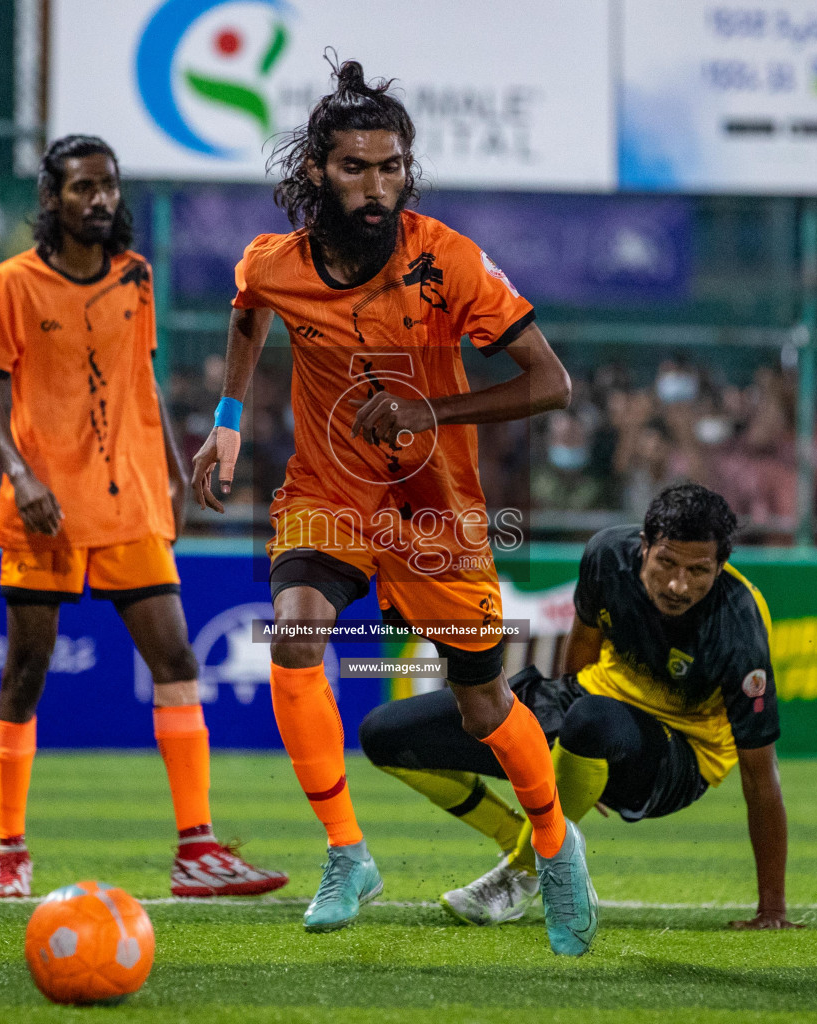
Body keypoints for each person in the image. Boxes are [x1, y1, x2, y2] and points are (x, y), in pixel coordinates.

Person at [191, 60, 597, 953]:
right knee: (295, 637)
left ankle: (556, 849)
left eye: (390, 167)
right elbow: (247, 312)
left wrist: (431, 410)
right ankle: (347, 851)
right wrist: (227, 420)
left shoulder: (445, 259)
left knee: (485, 708)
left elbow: (551, 383)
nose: (375, 188)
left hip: (436, 509)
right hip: (329, 492)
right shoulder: (273, 264)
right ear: (315, 174)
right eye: (353, 168)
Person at [0, 134, 285, 900]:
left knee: (176, 662)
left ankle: (197, 849)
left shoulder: (137, 277)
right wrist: (19, 473)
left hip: (130, 501)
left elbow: (140, 379)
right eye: (81, 187)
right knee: (24, 675)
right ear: (52, 199)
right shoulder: (10, 283)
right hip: (44, 508)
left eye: (107, 185)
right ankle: (11, 850)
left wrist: (175, 473)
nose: (99, 198)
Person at [359, 484, 798, 932]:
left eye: (698, 571)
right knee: (384, 734)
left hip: (676, 758)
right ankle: (515, 834)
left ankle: (524, 871)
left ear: (721, 567)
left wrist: (773, 910)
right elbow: (583, 647)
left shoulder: (738, 626)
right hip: (591, 711)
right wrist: (576, 756)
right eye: (666, 562)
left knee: (591, 721)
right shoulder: (607, 554)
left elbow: (761, 776)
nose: (677, 584)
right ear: (644, 545)